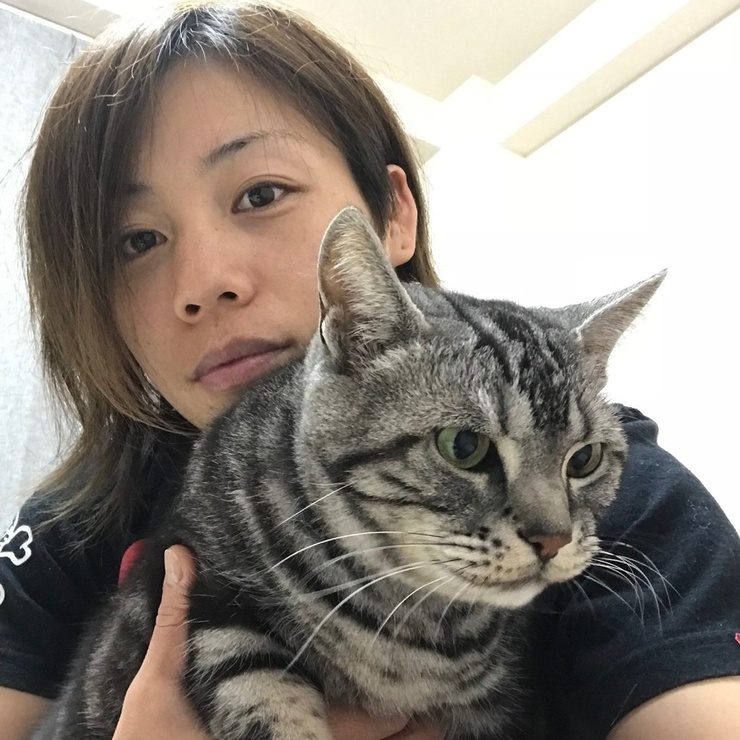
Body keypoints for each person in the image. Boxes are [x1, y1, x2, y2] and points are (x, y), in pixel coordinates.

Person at [1, 2, 738, 739]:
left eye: (261, 194)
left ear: (392, 214)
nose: (205, 282)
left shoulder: (634, 502)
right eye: (135, 241)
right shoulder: (76, 519)